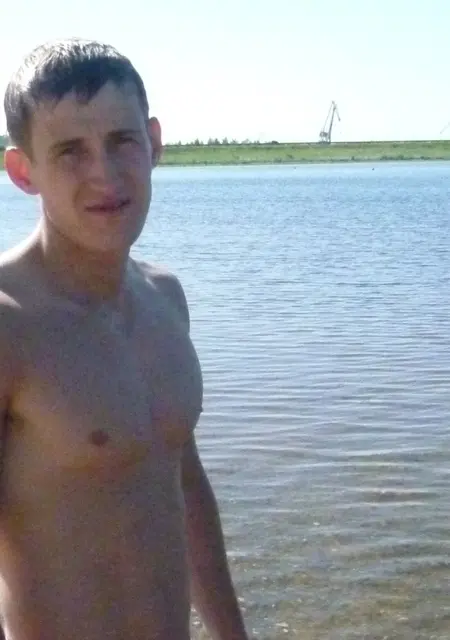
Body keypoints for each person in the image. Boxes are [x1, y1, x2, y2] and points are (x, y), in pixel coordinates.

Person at [0, 38, 249, 640]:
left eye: (122, 141)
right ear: (23, 171)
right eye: (70, 151)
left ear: (154, 142)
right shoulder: (11, 325)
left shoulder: (165, 298)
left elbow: (183, 485)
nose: (105, 175)